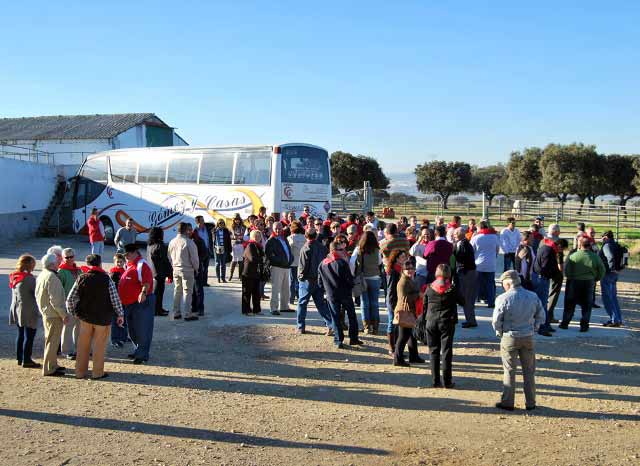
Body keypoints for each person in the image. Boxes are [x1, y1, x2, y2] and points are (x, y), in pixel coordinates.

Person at [493, 270, 545, 411]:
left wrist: (499, 332)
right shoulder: (532, 296)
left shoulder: (503, 298)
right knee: (529, 371)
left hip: (510, 336)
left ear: (508, 283)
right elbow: (541, 316)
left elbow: (496, 321)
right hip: (528, 336)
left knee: (509, 370)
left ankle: (508, 402)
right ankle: (531, 402)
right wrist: (534, 328)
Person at [66, 254, 124, 379]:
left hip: (85, 318)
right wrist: (120, 314)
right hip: (102, 319)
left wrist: (74, 312)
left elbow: (70, 299)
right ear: (100, 263)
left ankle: (80, 372)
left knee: (82, 346)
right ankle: (97, 373)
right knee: (99, 347)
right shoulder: (106, 279)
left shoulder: (81, 278)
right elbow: (115, 299)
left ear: (88, 264)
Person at [318, 241, 362, 348]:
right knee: (351, 316)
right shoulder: (341, 263)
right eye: (341, 249)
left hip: (331, 295)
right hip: (344, 294)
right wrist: (351, 286)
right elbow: (349, 280)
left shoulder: (322, 263)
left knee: (335, 317)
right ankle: (353, 338)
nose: (344, 251)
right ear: (333, 250)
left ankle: (338, 340)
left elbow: (319, 282)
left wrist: (326, 290)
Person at [425, 264, 463, 388]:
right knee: (446, 352)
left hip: (431, 321)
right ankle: (447, 381)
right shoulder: (451, 288)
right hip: (447, 322)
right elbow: (463, 301)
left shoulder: (430, 288)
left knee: (433, 351)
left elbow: (425, 306)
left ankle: (435, 381)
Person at [119, 243, 155, 364]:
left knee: (143, 329)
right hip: (130, 304)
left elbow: (147, 281)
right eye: (125, 254)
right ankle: (137, 350)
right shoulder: (129, 265)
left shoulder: (141, 265)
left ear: (135, 253)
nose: (126, 256)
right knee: (133, 330)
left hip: (141, 302)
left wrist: (143, 293)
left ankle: (142, 355)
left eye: (128, 254)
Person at [35, 253, 70, 376]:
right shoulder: (52, 277)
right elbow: (55, 300)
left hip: (47, 313)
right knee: (52, 341)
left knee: (51, 340)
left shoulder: (42, 275)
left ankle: (53, 364)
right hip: (53, 314)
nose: (58, 264)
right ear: (52, 264)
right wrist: (64, 314)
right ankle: (49, 368)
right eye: (56, 262)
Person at [560, 237, 605, 332]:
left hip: (574, 282)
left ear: (580, 245)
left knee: (570, 303)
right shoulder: (595, 257)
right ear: (590, 245)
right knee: (587, 305)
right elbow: (602, 270)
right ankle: (584, 325)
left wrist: (570, 277)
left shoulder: (573, 256)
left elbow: (566, 270)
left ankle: (565, 323)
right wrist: (596, 278)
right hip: (589, 282)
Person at [296, 229, 334, 333]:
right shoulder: (322, 247)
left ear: (305, 236)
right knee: (321, 304)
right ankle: (331, 324)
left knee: (302, 303)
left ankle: (300, 326)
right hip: (319, 278)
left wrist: (300, 277)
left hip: (308, 280)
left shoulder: (305, 248)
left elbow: (303, 266)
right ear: (316, 235)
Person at [9, 254, 41, 369]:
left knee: (21, 334)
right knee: (29, 335)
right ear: (29, 265)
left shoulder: (15, 276)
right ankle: (27, 360)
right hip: (28, 309)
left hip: (17, 308)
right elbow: (37, 294)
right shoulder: (29, 279)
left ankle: (20, 357)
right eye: (33, 263)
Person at [350, 230, 383, 334]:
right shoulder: (377, 250)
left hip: (362, 278)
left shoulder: (358, 249)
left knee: (365, 303)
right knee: (375, 303)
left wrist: (353, 275)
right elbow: (379, 262)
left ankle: (367, 326)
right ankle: (375, 326)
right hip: (375, 277)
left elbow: (352, 263)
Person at [533, 237, 567, 336]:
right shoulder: (549, 251)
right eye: (562, 249)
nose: (561, 252)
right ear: (559, 246)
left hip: (542, 278)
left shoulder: (547, 248)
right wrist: (553, 274)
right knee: (542, 304)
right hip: (542, 279)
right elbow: (545, 267)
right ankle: (542, 327)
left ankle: (546, 324)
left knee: (544, 303)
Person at [393, 261, 424, 367]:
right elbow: (404, 299)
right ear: (403, 270)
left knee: (412, 335)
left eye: (412, 268)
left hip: (410, 311)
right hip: (404, 312)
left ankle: (414, 356)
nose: (410, 270)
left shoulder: (410, 279)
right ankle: (398, 359)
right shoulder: (403, 282)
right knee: (403, 337)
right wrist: (418, 295)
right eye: (408, 269)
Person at [168, 222, 200, 321]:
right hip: (187, 270)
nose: (190, 232)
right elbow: (194, 258)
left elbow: (169, 256)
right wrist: (196, 268)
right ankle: (187, 313)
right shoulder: (189, 242)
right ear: (186, 230)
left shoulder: (172, 241)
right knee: (187, 292)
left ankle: (176, 312)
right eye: (189, 230)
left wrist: (173, 265)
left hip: (176, 269)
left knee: (177, 291)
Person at [58, 248, 82, 360]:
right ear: (63, 258)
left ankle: (78, 349)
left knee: (79, 327)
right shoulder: (61, 272)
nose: (69, 259)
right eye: (66, 257)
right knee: (68, 328)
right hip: (68, 304)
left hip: (80, 304)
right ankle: (66, 351)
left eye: (71, 256)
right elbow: (59, 290)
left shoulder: (79, 270)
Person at [265, 222, 293, 315]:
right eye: (276, 228)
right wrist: (281, 261)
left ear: (282, 228)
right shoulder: (271, 240)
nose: (278, 230)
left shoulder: (284, 238)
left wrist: (290, 259)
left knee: (286, 288)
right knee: (276, 289)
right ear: (273, 229)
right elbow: (270, 255)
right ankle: (273, 308)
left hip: (286, 266)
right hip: (277, 267)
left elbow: (288, 250)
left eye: (279, 228)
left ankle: (284, 306)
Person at [470, 220, 499, 308]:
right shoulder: (494, 237)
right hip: (491, 264)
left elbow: (471, 250)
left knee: (476, 284)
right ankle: (491, 302)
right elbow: (497, 249)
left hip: (479, 264)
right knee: (490, 284)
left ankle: (473, 302)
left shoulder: (476, 238)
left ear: (480, 228)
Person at [386, 249, 409, 355]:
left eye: (405, 257)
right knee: (392, 322)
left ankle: (396, 346)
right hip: (393, 300)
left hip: (399, 300)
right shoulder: (393, 271)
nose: (404, 259)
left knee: (398, 324)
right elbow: (390, 289)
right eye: (402, 257)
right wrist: (392, 303)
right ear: (396, 259)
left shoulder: (400, 269)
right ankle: (391, 347)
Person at [453, 227, 478, 328]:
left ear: (461, 234)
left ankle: (471, 321)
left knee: (467, 298)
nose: (453, 235)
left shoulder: (464, 244)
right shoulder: (463, 243)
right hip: (467, 272)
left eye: (455, 233)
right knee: (467, 297)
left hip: (467, 273)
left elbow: (461, 258)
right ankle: (470, 319)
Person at [599, 231, 624, 327]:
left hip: (608, 274)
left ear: (605, 237)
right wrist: (617, 270)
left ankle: (614, 320)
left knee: (607, 298)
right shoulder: (616, 245)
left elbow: (610, 257)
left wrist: (611, 269)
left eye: (602, 237)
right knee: (613, 298)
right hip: (614, 275)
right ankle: (618, 319)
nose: (601, 239)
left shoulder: (606, 245)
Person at [147, 227, 171, 317]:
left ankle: (157, 308)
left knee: (156, 292)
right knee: (159, 292)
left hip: (152, 271)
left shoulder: (150, 245)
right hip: (160, 272)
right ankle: (158, 309)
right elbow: (166, 261)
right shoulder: (160, 245)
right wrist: (170, 273)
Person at [242, 230, 265, 315]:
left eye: (259, 236)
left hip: (256, 273)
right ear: (252, 236)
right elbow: (252, 258)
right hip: (248, 273)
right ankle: (246, 310)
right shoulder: (250, 245)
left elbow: (263, 256)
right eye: (256, 235)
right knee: (247, 293)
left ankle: (257, 310)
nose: (258, 237)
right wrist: (262, 259)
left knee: (256, 293)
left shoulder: (258, 246)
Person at [109, 253, 129, 347]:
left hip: (124, 298)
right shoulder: (113, 273)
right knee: (116, 319)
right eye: (118, 262)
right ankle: (115, 339)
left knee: (124, 318)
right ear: (114, 262)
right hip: (116, 300)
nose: (119, 263)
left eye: (121, 261)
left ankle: (123, 336)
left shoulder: (125, 271)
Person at [287, 221, 306, 305]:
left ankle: (291, 298)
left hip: (293, 263)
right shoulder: (305, 238)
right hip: (302, 263)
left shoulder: (290, 238)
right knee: (301, 281)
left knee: (292, 281)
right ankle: (300, 297)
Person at [191, 228, 208, 317]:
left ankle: (200, 308)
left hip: (197, 268)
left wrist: (197, 261)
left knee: (198, 289)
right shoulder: (188, 240)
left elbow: (204, 254)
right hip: (189, 268)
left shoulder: (200, 241)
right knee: (192, 289)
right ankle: (194, 307)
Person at [213, 218, 231, 283]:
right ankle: (218, 278)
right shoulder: (214, 230)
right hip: (217, 248)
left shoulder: (226, 231)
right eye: (220, 223)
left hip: (224, 248)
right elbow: (212, 239)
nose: (221, 224)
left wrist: (229, 249)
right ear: (217, 224)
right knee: (217, 263)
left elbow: (229, 240)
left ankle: (223, 278)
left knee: (223, 264)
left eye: (223, 223)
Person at [229, 214, 247, 280]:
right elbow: (231, 236)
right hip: (234, 245)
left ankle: (240, 276)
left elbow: (244, 236)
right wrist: (236, 237)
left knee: (241, 261)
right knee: (234, 261)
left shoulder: (244, 227)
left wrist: (239, 237)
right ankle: (231, 275)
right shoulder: (232, 227)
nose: (237, 221)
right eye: (236, 219)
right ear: (234, 220)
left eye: (238, 219)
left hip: (241, 245)